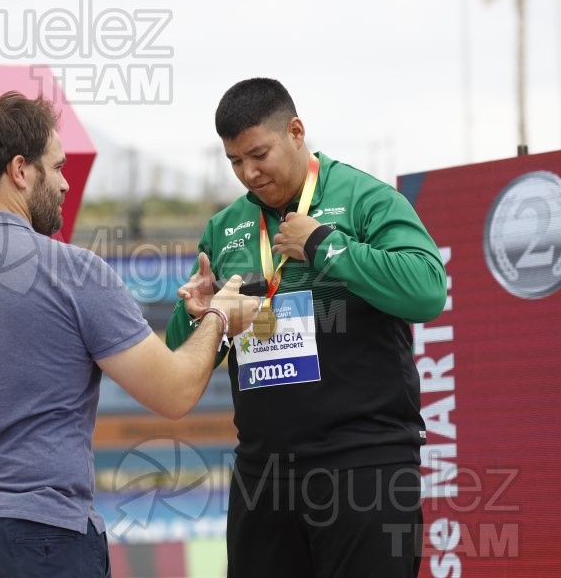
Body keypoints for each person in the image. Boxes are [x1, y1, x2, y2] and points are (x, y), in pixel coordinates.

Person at [0, 91, 260, 578]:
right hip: (40, 538)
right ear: (20, 170)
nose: (65, 184)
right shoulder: (76, 271)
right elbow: (175, 392)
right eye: (58, 167)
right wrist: (221, 318)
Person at [166, 78, 447, 578]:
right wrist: (201, 315)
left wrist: (323, 244)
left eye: (258, 154)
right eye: (234, 161)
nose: (248, 173)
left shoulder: (365, 199)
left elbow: (427, 289)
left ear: (295, 132)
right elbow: (180, 358)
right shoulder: (225, 227)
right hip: (263, 474)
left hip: (364, 465)